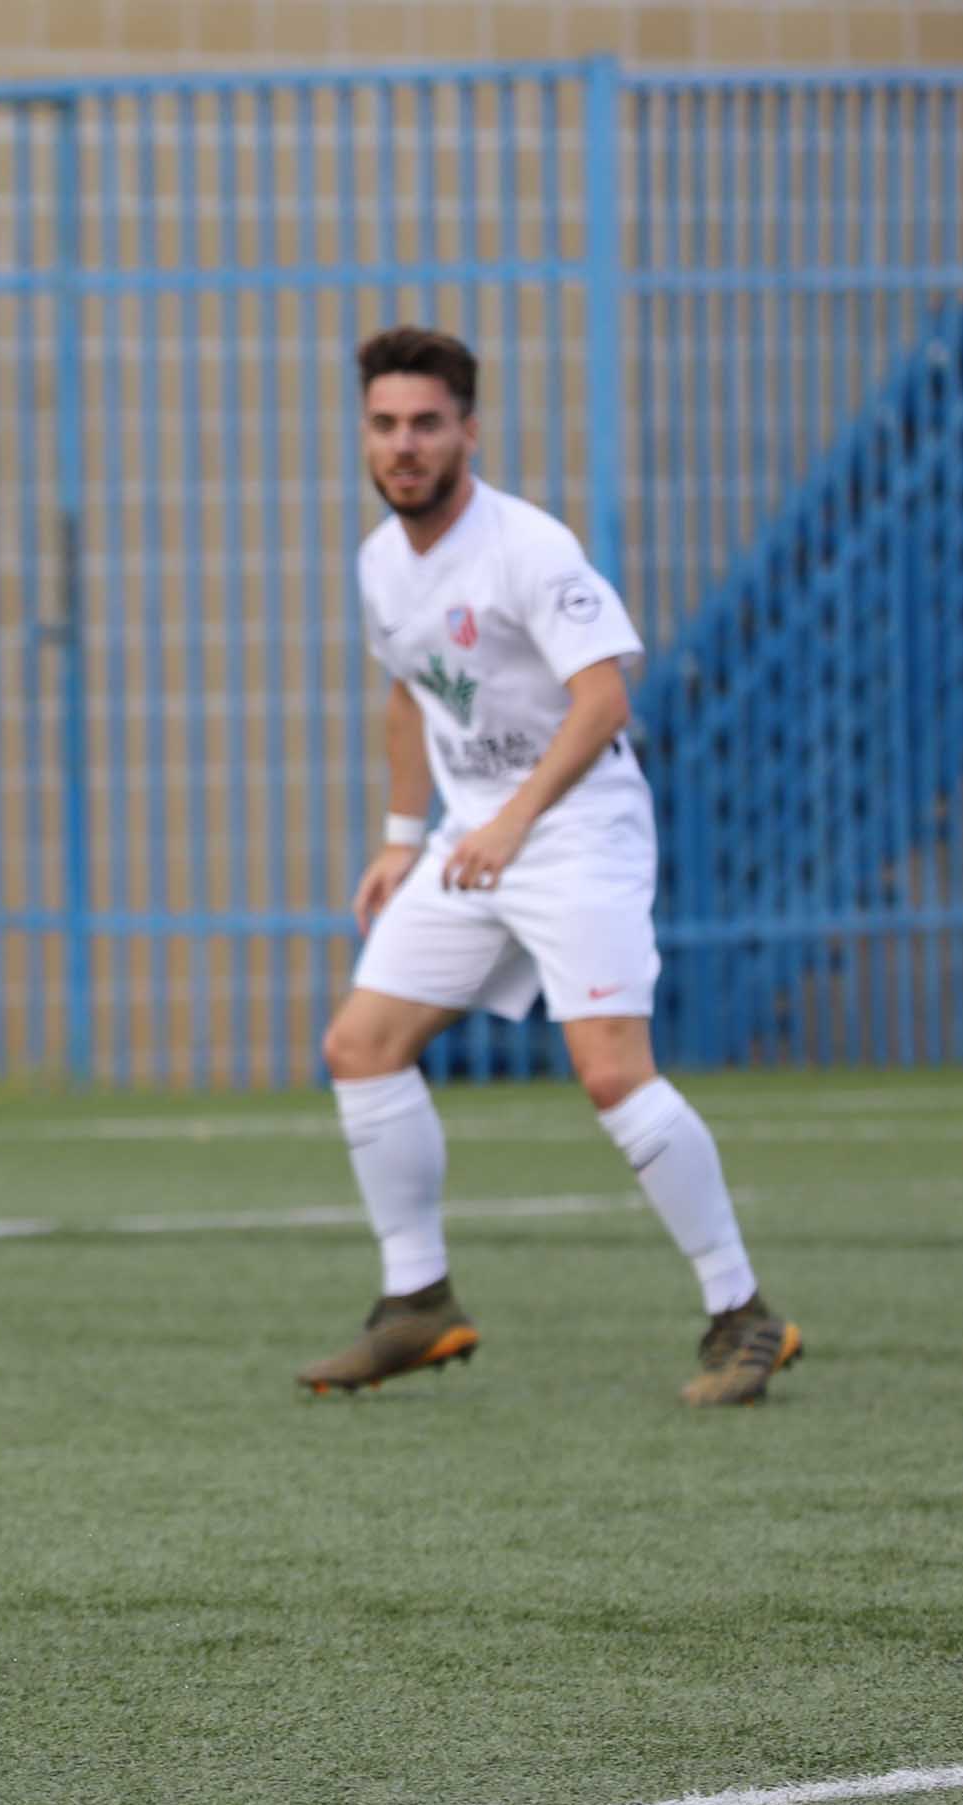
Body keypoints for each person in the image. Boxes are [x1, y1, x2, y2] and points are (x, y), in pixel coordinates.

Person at [301, 327, 803, 1407]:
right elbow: (409, 693)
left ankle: (743, 1314)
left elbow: (605, 698)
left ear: (469, 431)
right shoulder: (381, 561)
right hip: (471, 840)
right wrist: (400, 840)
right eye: (386, 424)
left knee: (613, 1072)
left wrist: (514, 823)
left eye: (427, 423)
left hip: (575, 831)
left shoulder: (529, 546)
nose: (405, 446)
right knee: (362, 1046)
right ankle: (417, 1301)